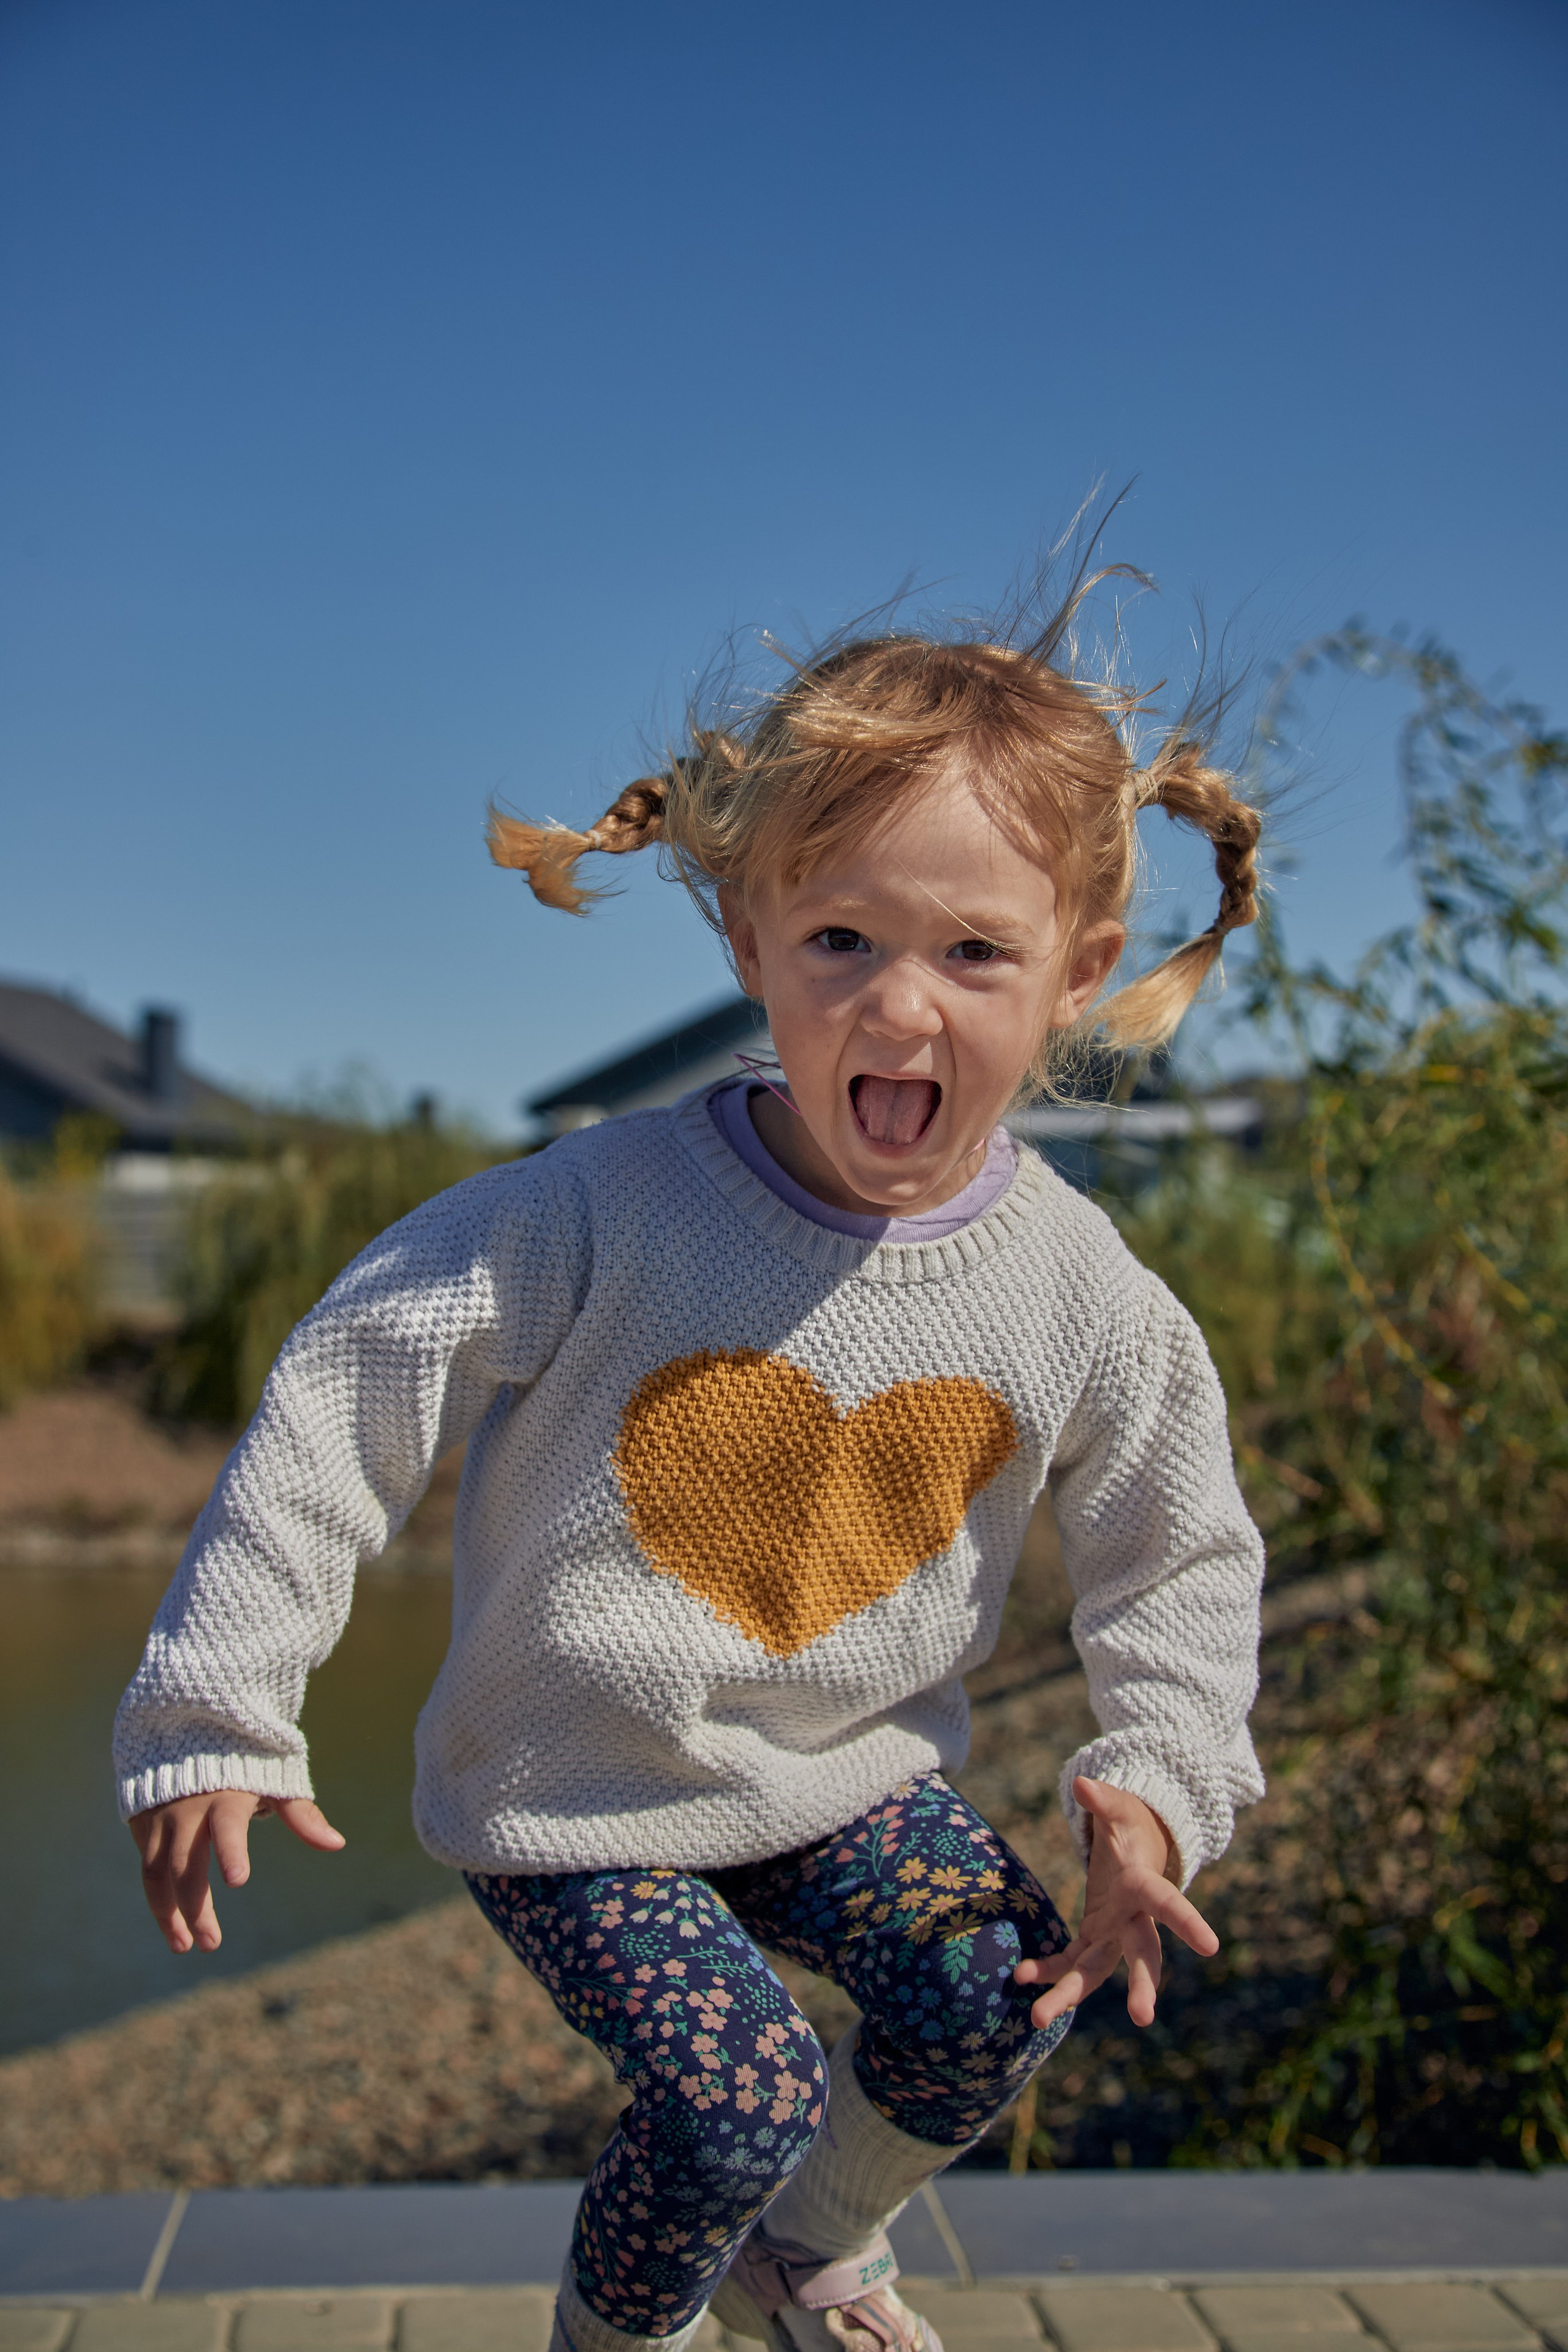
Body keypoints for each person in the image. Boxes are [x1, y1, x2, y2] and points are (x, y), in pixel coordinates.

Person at [116, 583, 1266, 2352]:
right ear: (748, 937)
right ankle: (624, 2331)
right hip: (573, 1795)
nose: (899, 1008)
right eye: (840, 945)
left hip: (837, 1776)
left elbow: (1178, 1556)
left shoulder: (1081, 1292)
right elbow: (356, 1374)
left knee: (992, 1994)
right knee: (733, 2097)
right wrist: (218, 1706)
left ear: (1077, 975)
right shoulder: (601, 1211)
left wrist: (1166, 1787)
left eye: (973, 955)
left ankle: (813, 2246)